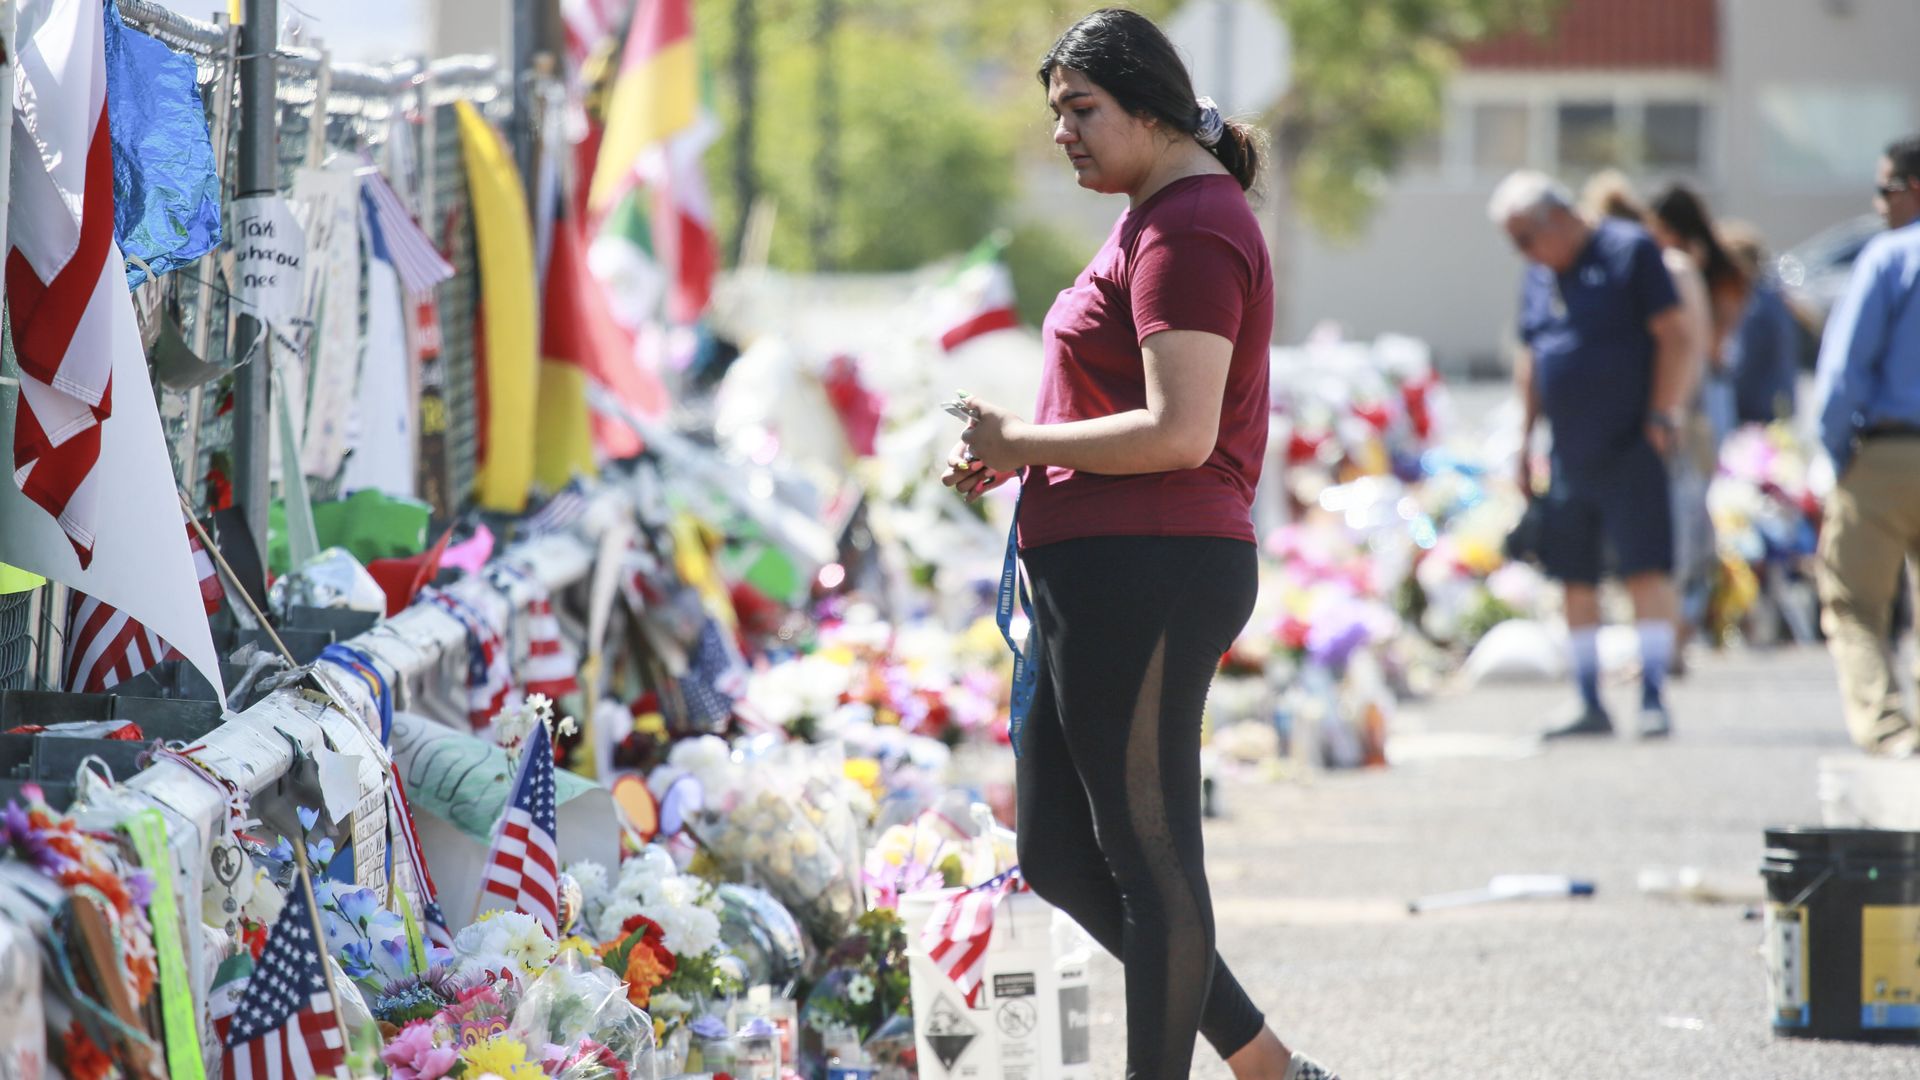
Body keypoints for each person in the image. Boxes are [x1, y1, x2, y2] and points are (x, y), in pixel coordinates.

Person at [938, 10, 1330, 1080]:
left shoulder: (1190, 226)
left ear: (1150, 108)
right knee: (1061, 853)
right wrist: (1023, 456)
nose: (1063, 132)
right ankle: (1268, 1066)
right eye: (1056, 111)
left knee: (1153, 864)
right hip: (1096, 566)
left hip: (1149, 567)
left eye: (1082, 110)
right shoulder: (1153, 211)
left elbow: (1180, 431)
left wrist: (1020, 440)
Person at [1490, 170, 1691, 739]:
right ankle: (1587, 700)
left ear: (1559, 216)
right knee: (1573, 573)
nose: (1523, 253)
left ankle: (1652, 695)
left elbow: (1675, 335)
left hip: (1631, 440)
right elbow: (1533, 359)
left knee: (1643, 567)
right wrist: (1524, 440)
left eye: (1526, 238)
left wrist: (1662, 413)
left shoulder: (1629, 250)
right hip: (1568, 450)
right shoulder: (1538, 273)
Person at [1810, 133, 1920, 757]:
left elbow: (1843, 374)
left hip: (1888, 452)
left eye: (1886, 190)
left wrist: (1838, 455)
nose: (1878, 205)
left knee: (1853, 606)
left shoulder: (1888, 257)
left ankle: (1888, 729)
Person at [1649, 184, 1749, 666]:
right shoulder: (1719, 268)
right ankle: (1679, 626)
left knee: (1687, 511)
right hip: (1708, 392)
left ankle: (1682, 627)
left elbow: (1710, 343)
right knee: (1691, 509)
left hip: (1700, 396)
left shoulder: (1691, 270)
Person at [1718, 220, 1802, 425]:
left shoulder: (1753, 304)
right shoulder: (1772, 296)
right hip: (1778, 410)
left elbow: (1742, 368)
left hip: (1758, 417)